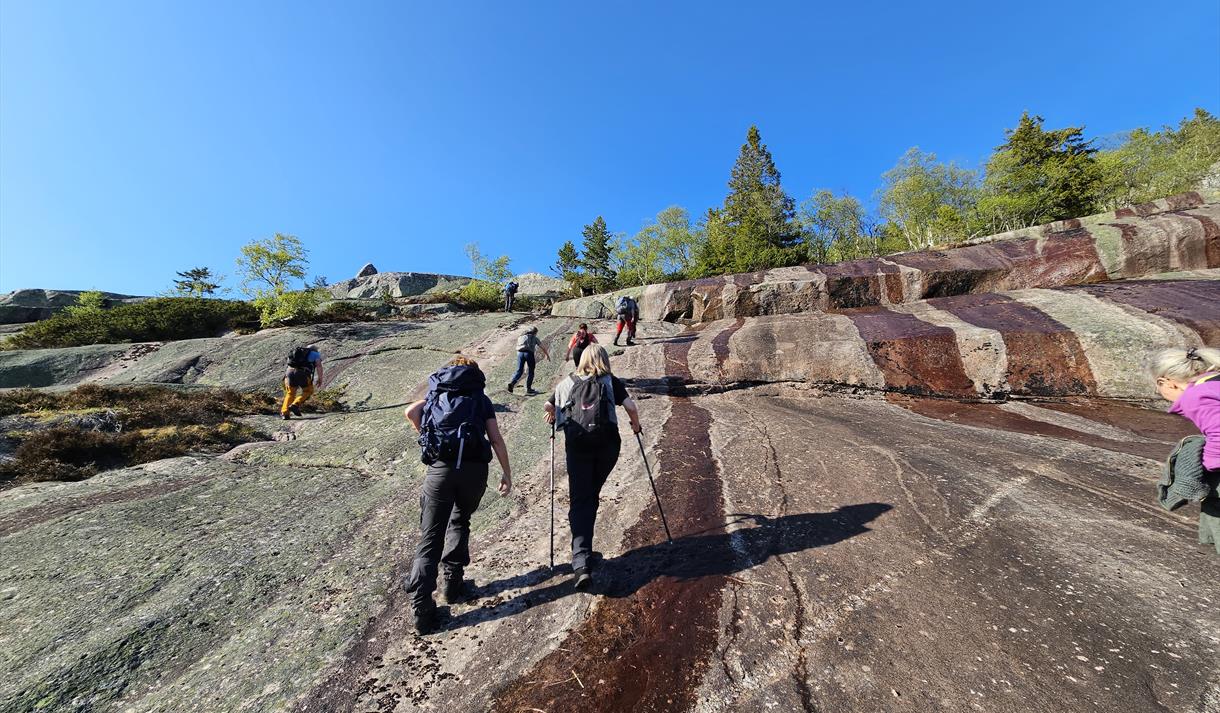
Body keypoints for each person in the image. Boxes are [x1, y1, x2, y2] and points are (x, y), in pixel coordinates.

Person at [404, 355, 512, 634]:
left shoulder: (437, 394)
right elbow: (496, 438)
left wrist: (427, 435)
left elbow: (410, 412)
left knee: (430, 538)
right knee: (460, 520)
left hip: (440, 471)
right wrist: (507, 473)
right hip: (474, 472)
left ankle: (422, 611)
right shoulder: (480, 399)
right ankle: (452, 586)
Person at [544, 344, 642, 590]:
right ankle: (585, 552)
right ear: (604, 359)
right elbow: (631, 407)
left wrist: (553, 414)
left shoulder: (566, 383)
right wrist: (636, 426)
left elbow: (548, 406)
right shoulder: (611, 381)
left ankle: (581, 562)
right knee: (591, 495)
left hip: (578, 447)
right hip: (608, 446)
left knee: (580, 500)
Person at [1153, 346, 1220, 553]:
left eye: (1158, 387)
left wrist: (1207, 465)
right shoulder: (1214, 382)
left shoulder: (1197, 396)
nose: (1159, 393)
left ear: (1166, 382)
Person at [282, 344, 324, 419]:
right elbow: (319, 366)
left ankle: (285, 413)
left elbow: (289, 364)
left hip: (289, 372)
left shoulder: (296, 353)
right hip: (302, 373)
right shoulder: (315, 354)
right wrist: (320, 378)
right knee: (308, 391)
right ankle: (295, 404)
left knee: (290, 393)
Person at [507, 325, 550, 395]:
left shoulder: (521, 337)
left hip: (520, 353)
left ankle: (512, 383)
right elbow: (543, 347)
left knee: (519, 370)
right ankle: (529, 388)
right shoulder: (535, 338)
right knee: (531, 371)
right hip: (529, 354)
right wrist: (547, 355)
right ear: (535, 332)